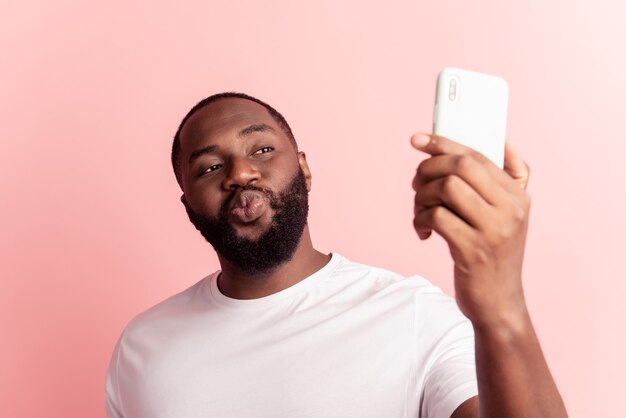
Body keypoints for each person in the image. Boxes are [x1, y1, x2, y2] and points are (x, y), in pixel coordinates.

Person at [105, 92, 568, 418]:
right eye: (209, 167)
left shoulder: (411, 314)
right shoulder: (143, 345)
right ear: (188, 205)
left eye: (262, 148)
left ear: (304, 169)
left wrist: (502, 311)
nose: (241, 172)